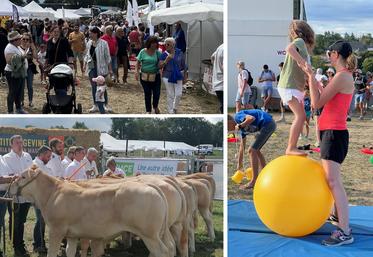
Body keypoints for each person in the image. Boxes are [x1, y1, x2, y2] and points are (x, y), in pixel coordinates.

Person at [300, 40, 356, 246]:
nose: (327, 55)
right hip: (331, 133)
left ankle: (344, 232)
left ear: (335, 55)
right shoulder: (342, 77)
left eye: (329, 52)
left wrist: (310, 76)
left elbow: (316, 104)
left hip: (333, 134)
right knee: (331, 179)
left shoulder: (342, 76)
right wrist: (313, 80)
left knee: (333, 182)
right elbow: (325, 97)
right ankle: (337, 217)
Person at [277, 20, 315, 156]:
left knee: (302, 116)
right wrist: (303, 62)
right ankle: (291, 147)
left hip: (292, 85)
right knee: (300, 116)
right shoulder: (299, 41)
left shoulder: (302, 45)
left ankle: (293, 146)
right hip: (288, 85)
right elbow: (289, 49)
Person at [228, 109, 276, 189]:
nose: (228, 130)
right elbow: (242, 147)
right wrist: (239, 164)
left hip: (267, 124)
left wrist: (240, 125)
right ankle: (265, 173)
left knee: (252, 150)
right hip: (267, 125)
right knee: (256, 150)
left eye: (227, 127)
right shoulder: (241, 131)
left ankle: (253, 181)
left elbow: (251, 118)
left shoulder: (237, 117)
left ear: (229, 121)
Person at [2, 135, 33, 256]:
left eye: (21, 142)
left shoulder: (27, 156)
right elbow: (10, 175)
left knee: (23, 220)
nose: (20, 145)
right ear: (11, 145)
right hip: (14, 195)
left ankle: (21, 243)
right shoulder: (6, 158)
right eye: (17, 143)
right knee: (16, 220)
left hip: (27, 194)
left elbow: (31, 172)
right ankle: (17, 246)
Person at [84, 26, 113, 113]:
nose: (89, 34)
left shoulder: (104, 43)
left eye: (91, 33)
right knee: (93, 87)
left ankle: (105, 104)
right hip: (92, 67)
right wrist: (85, 64)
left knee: (102, 87)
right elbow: (87, 54)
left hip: (101, 67)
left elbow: (107, 57)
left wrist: (110, 69)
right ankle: (95, 105)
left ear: (96, 33)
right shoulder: (89, 43)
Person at [32, 146, 53, 254]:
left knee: (43, 221)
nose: (49, 158)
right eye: (48, 156)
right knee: (40, 220)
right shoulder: (35, 165)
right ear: (41, 155)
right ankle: (38, 244)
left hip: (47, 198)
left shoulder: (45, 166)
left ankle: (41, 243)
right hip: (39, 198)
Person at [135, 36, 162, 114]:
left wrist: (163, 63)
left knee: (156, 93)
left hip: (155, 76)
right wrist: (136, 71)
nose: (154, 45)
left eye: (155, 43)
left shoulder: (158, 53)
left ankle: (155, 106)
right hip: (144, 76)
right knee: (147, 93)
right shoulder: (142, 51)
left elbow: (160, 64)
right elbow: (137, 62)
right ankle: (148, 110)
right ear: (149, 43)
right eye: (152, 43)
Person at [160, 37, 186, 114]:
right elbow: (160, 66)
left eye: (168, 44)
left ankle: (175, 107)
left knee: (179, 94)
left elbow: (184, 65)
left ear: (173, 44)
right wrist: (166, 60)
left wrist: (185, 76)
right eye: (165, 44)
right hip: (167, 75)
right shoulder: (163, 54)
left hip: (178, 75)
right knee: (170, 94)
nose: (166, 45)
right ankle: (170, 111)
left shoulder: (179, 52)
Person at [4, 31, 28, 114]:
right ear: (15, 40)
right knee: (13, 92)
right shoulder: (9, 48)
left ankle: (18, 108)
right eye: (20, 38)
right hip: (12, 73)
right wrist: (22, 57)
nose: (21, 40)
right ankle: (10, 111)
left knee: (18, 91)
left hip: (18, 73)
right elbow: (9, 61)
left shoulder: (15, 46)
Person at [0, 156, 15, 257]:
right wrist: (12, 178)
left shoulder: (1, 158)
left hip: (3, 193)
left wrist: (11, 176)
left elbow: (6, 174)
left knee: (0, 223)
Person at [19, 33, 37, 108]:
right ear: (21, 39)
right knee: (22, 86)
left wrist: (33, 49)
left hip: (29, 68)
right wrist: (26, 49)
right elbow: (21, 57)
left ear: (30, 40)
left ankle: (30, 101)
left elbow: (35, 57)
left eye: (27, 39)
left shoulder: (31, 47)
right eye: (24, 39)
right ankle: (22, 101)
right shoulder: (18, 47)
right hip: (21, 69)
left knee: (30, 86)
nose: (25, 41)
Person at [211, 43, 224, 114]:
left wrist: (215, 67)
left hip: (217, 83)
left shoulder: (220, 47)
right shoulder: (224, 49)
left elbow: (212, 57)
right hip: (222, 84)